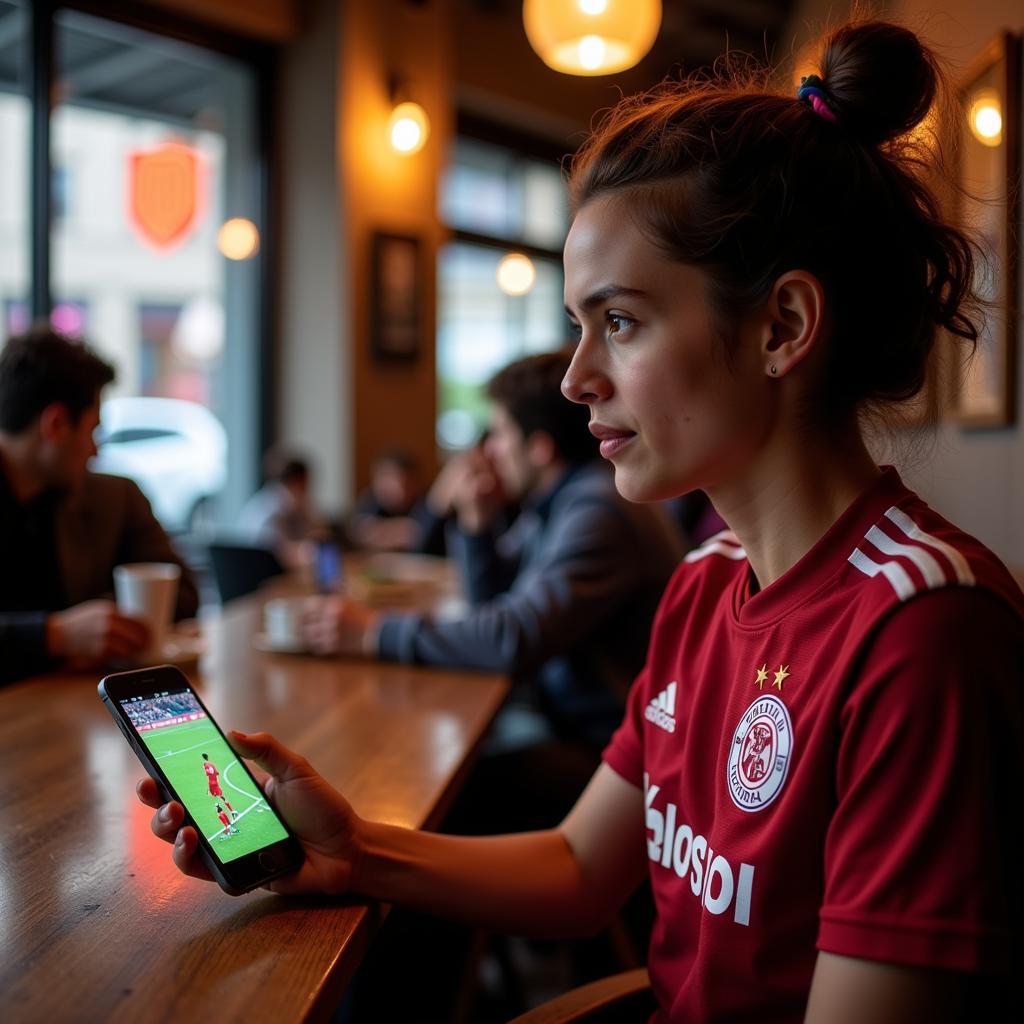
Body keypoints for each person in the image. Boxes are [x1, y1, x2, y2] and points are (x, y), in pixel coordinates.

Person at [140, 20, 1023, 1021]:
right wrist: (354, 850)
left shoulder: (921, 635)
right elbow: (577, 868)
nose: (574, 378)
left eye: (620, 321)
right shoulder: (705, 582)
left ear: (780, 327)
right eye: (578, 324)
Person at [306, 349, 684, 759]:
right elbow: (493, 606)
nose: (490, 452)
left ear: (539, 448)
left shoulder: (598, 509)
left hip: (610, 750)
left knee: (421, 758)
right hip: (567, 719)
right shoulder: (557, 502)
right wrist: (477, 525)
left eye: (500, 434)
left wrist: (375, 633)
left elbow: (512, 640)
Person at [0, 326, 199, 684]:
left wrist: (106, 624)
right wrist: (56, 635)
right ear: (56, 425)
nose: (96, 451)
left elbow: (183, 590)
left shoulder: (114, 498)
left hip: (79, 713)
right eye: (93, 431)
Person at [238, 449, 324, 568]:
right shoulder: (273, 508)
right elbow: (282, 554)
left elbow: (317, 533)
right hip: (261, 574)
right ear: (299, 482)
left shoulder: (268, 500)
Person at [202, 753, 236, 818]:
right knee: (222, 797)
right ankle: (232, 811)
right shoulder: (212, 765)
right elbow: (217, 774)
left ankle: (223, 814)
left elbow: (208, 777)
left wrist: (209, 788)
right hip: (216, 783)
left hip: (211, 784)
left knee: (214, 797)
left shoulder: (205, 766)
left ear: (203, 758)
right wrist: (217, 784)